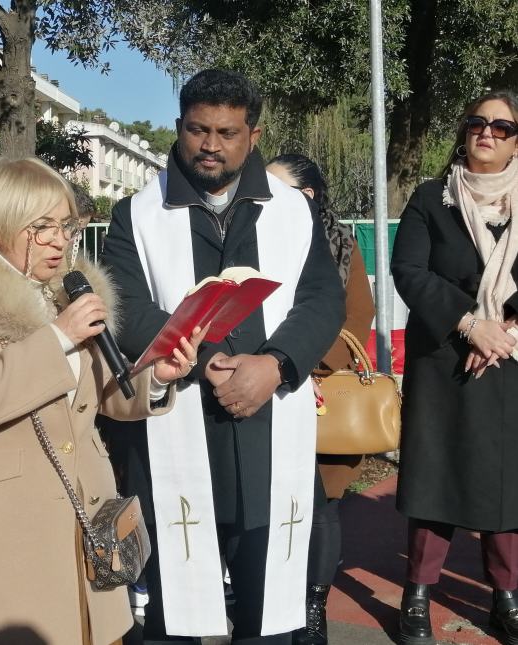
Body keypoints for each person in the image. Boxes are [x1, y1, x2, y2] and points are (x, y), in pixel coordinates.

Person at [0, 156, 204, 645]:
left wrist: (156, 378)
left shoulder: (65, 292)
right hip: (6, 526)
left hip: (86, 516)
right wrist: (58, 338)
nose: (59, 240)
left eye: (66, 225)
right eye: (41, 227)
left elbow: (100, 398)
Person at [101, 69, 345, 645]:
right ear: (179, 127)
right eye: (198, 129)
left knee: (270, 618)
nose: (211, 144)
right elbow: (126, 306)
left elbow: (321, 299)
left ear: (252, 137)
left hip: (269, 429)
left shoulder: (291, 209)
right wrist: (205, 354)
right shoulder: (136, 215)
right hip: (177, 431)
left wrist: (278, 364)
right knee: (173, 614)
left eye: (227, 132)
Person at [391, 90, 518, 645]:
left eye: (502, 126)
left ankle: (505, 597)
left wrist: (505, 332)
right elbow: (410, 272)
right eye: (477, 122)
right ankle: (417, 593)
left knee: (505, 481)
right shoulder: (429, 198)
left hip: (509, 360)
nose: (487, 132)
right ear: (464, 131)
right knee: (435, 475)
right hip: (445, 357)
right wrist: (471, 324)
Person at [266, 153, 376, 645]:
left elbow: (357, 319)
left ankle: (314, 608)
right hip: (266, 389)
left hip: (320, 397)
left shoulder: (340, 245)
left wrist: (306, 363)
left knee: (320, 506)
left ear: (308, 196)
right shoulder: (256, 239)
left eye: (278, 189)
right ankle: (268, 599)